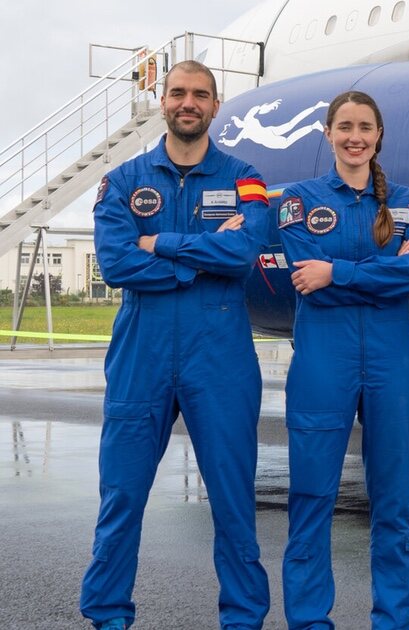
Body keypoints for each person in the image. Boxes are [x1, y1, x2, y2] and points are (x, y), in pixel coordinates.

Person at [81, 60, 270, 630]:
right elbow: (116, 263)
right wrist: (200, 259)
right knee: (122, 497)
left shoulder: (246, 178)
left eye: (201, 95)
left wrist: (159, 243)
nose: (189, 103)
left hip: (221, 355)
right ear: (163, 100)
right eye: (179, 93)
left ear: (217, 105)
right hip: (143, 351)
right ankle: (108, 616)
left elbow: (243, 256)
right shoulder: (122, 180)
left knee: (235, 502)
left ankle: (243, 619)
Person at [277, 90, 409, 630]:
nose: (355, 137)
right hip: (324, 357)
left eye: (365, 127)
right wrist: (379, 272)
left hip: (393, 361)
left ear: (379, 135)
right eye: (344, 127)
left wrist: (336, 273)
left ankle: (393, 620)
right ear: (328, 134)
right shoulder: (298, 200)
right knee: (312, 496)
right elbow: (304, 275)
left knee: (394, 503)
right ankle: (309, 620)